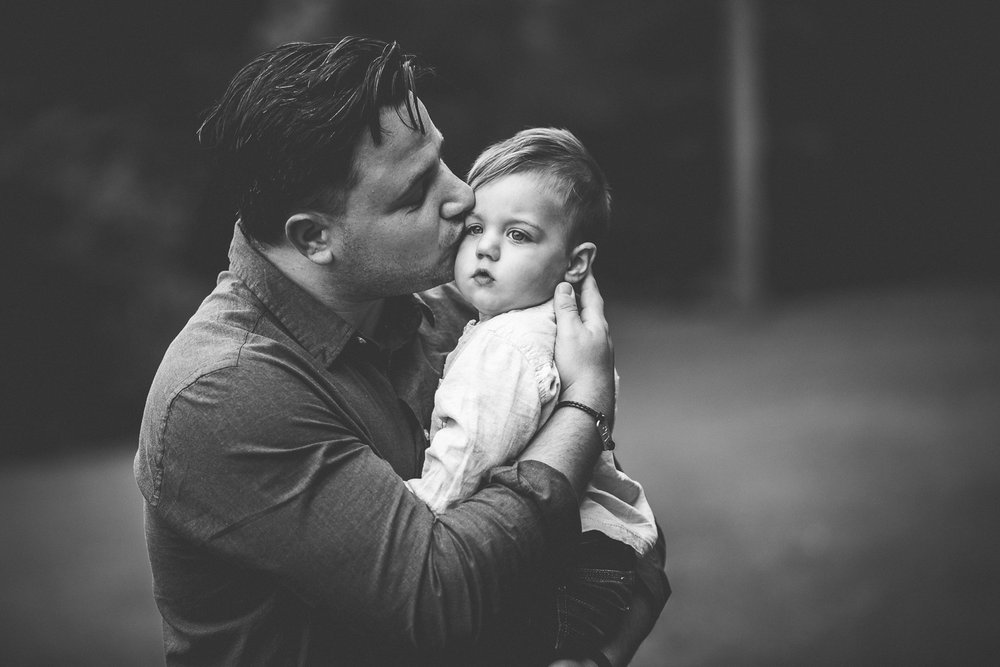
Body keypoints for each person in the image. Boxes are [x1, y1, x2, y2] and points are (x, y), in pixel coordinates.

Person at [134, 37, 668, 666]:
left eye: (442, 160)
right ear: (315, 239)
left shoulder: (449, 311)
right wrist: (586, 404)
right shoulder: (223, 392)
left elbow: (613, 530)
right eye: (416, 193)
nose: (463, 197)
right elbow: (441, 596)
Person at [405, 128, 659, 662]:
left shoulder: (507, 344)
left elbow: (470, 454)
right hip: (605, 561)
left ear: (575, 263)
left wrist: (410, 509)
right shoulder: (551, 332)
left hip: (571, 576)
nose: (487, 247)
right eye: (475, 227)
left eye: (519, 235)